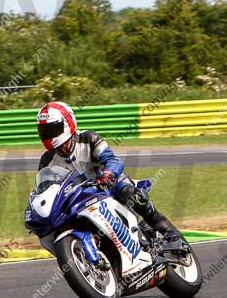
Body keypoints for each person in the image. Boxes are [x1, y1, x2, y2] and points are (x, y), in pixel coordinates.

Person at [35, 101, 180, 242]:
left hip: (108, 184)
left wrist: (108, 173)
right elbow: (46, 188)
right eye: (45, 132)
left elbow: (113, 160)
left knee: (131, 194)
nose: (49, 135)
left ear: (68, 123)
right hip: (79, 199)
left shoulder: (89, 138)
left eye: (52, 130)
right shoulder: (47, 160)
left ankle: (166, 230)